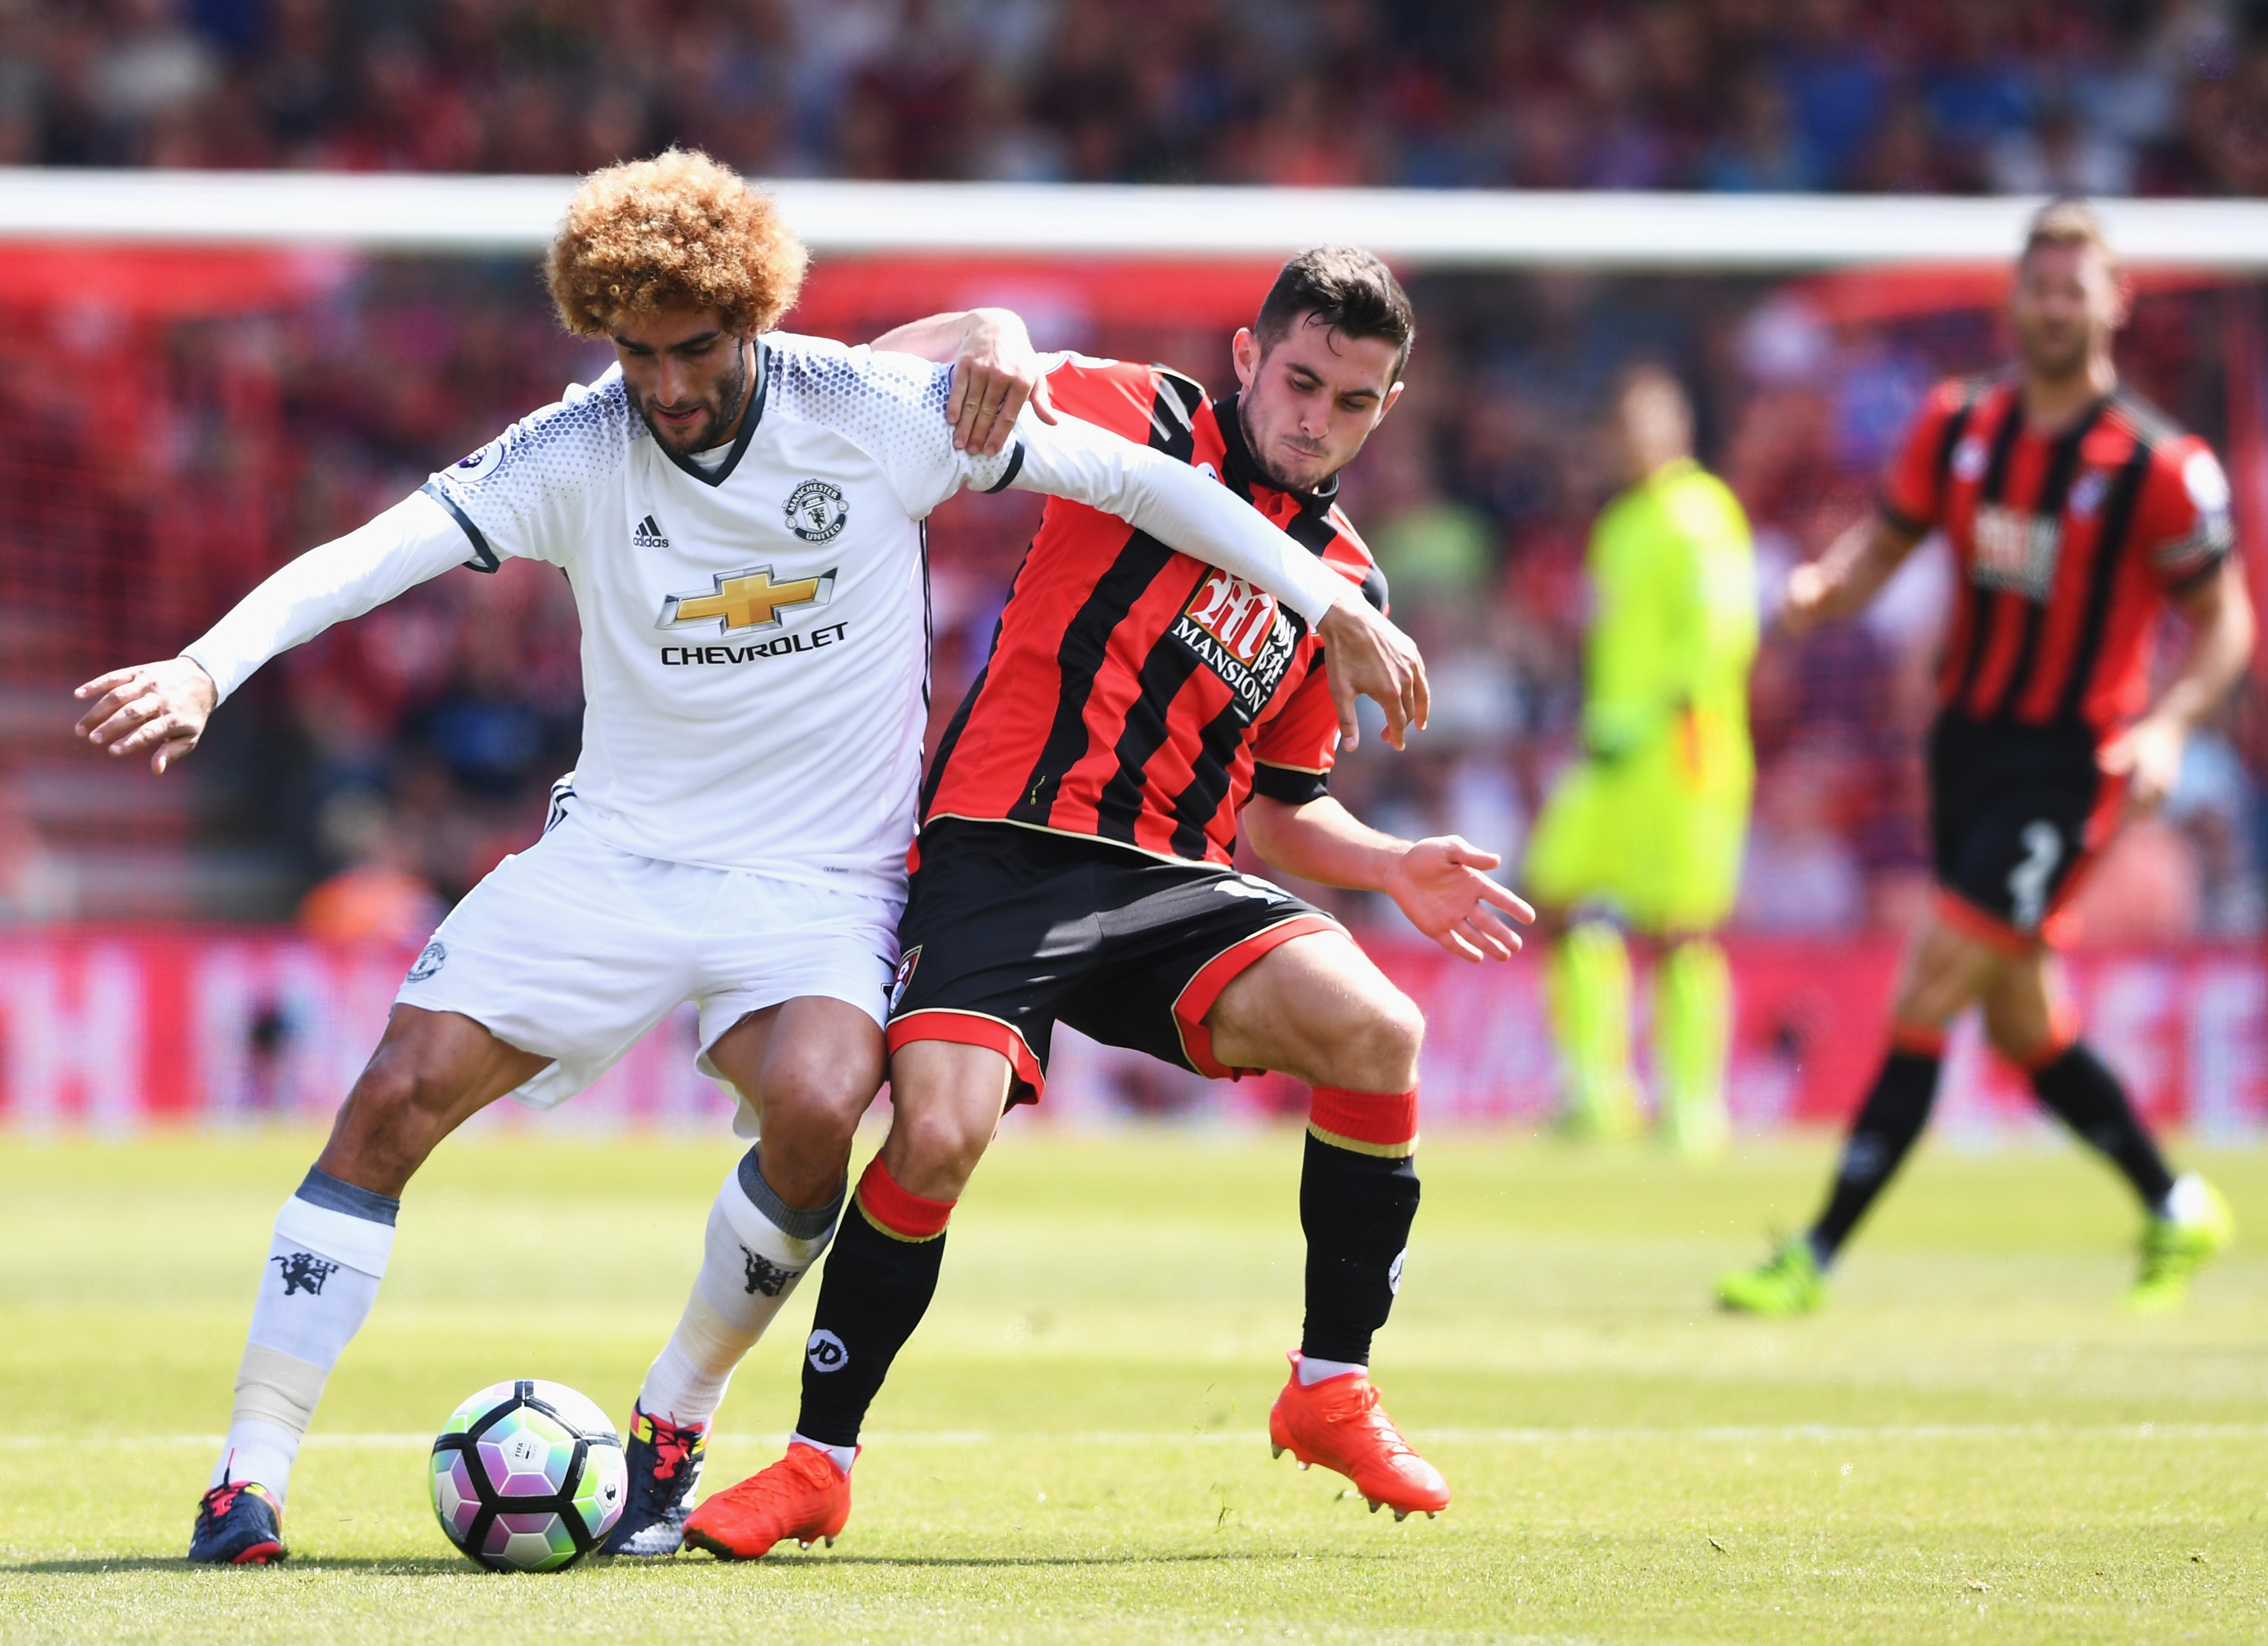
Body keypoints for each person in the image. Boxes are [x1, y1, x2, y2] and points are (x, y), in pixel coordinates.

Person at [72, 152, 1425, 1565]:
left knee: (824, 1102)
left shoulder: (867, 414)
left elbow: (1143, 484)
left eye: (695, 350)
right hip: (617, 855)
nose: (665, 385)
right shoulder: (574, 446)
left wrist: (1325, 597)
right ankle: (251, 1472)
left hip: (821, 885)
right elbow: (372, 553)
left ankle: (674, 1420)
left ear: (756, 321)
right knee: (392, 1100)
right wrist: (206, 668)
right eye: (636, 352)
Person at [683, 247, 1536, 1560]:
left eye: (1352, 400)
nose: (1315, 416)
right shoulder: (1140, 413)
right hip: (1003, 848)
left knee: (1379, 1032)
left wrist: (1388, 864)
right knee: (941, 1131)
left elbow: (1275, 802)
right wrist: (996, 337)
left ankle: (1328, 1386)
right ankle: (815, 1460)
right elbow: (885, 372)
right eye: (1299, 379)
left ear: (1389, 404)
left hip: (1173, 877)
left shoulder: (1347, 584)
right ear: (1248, 358)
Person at [1717, 200, 2251, 1318]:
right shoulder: (1960, 425)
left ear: (2115, 304)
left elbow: (2227, 623)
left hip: (2070, 769)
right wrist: (1826, 590)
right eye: (2039, 285)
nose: (2054, 305)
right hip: (1965, 748)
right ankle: (2175, 1200)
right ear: (2015, 297)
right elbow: (1887, 538)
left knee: (1930, 979)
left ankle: (1813, 1252)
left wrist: (2165, 726)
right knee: (2024, 1022)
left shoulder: (2157, 463)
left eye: (2075, 287)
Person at [1523, 365, 1759, 1158]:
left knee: (1680, 928)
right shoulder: (1621, 525)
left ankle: (1694, 1107)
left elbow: (1724, 633)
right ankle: (1597, 1091)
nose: (1629, 441)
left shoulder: (1701, 516)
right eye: (1619, 427)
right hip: (1609, 750)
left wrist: (1659, 713)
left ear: (1677, 428)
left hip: (1683, 750)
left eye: (1643, 424)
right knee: (1559, 897)